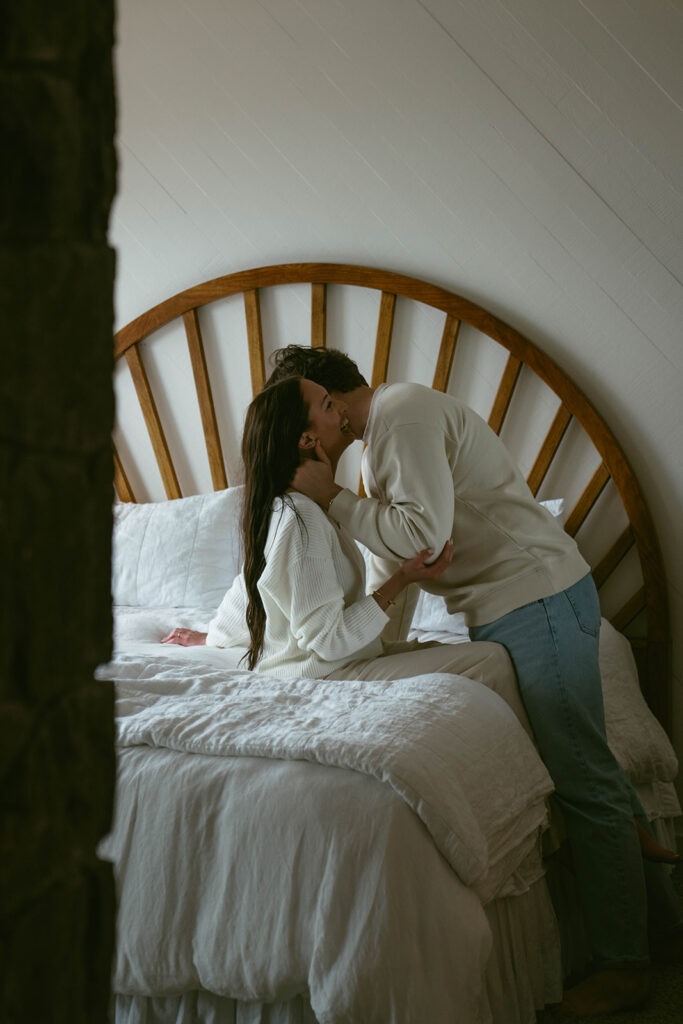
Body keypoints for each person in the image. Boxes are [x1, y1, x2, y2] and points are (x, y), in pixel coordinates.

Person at [266, 345, 682, 1016]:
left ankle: (624, 967)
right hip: (518, 602)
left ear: (334, 399)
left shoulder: (398, 418)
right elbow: (403, 555)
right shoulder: (384, 436)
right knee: (582, 765)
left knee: (580, 778)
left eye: (310, 407)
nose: (311, 428)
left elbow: (421, 536)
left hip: (532, 598)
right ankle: (662, 928)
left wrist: (334, 497)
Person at [162, 376, 528, 721]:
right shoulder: (300, 519)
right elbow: (328, 641)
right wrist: (401, 579)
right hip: (321, 678)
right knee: (489, 661)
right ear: (307, 439)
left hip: (335, 663)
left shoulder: (297, 509)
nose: (340, 409)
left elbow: (255, 592)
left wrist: (213, 636)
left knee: (472, 655)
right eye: (327, 405)